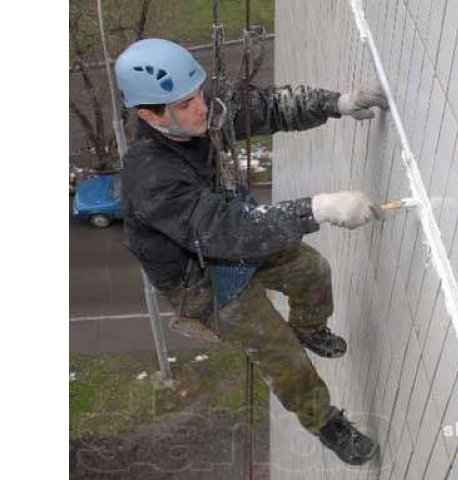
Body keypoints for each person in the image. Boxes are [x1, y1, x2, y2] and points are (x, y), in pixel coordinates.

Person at [115, 38, 388, 465]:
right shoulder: (150, 179)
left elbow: (270, 107)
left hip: (231, 235)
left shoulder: (198, 113)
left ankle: (310, 326)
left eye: (199, 94)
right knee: (282, 354)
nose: (201, 108)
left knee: (313, 271)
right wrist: (318, 207)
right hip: (202, 280)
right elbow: (226, 232)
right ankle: (327, 423)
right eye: (185, 104)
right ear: (149, 114)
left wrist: (338, 103)